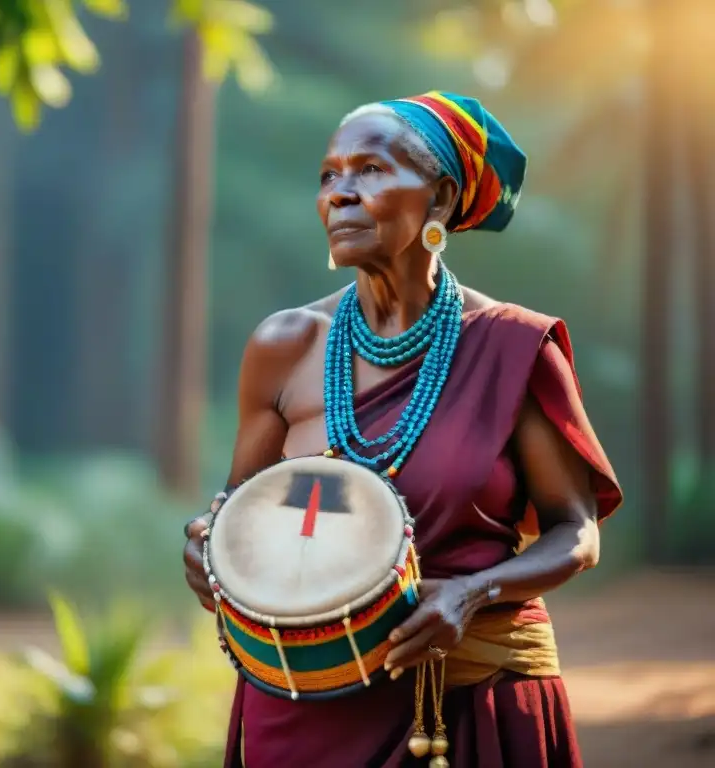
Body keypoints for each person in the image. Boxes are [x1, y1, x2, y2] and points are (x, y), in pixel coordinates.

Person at [182, 91, 622, 768]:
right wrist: (212, 549)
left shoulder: (513, 348)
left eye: (369, 170)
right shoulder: (286, 345)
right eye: (329, 176)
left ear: (440, 200)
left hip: (468, 699)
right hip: (305, 713)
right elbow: (243, 509)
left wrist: (475, 593)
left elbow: (577, 529)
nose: (340, 194)